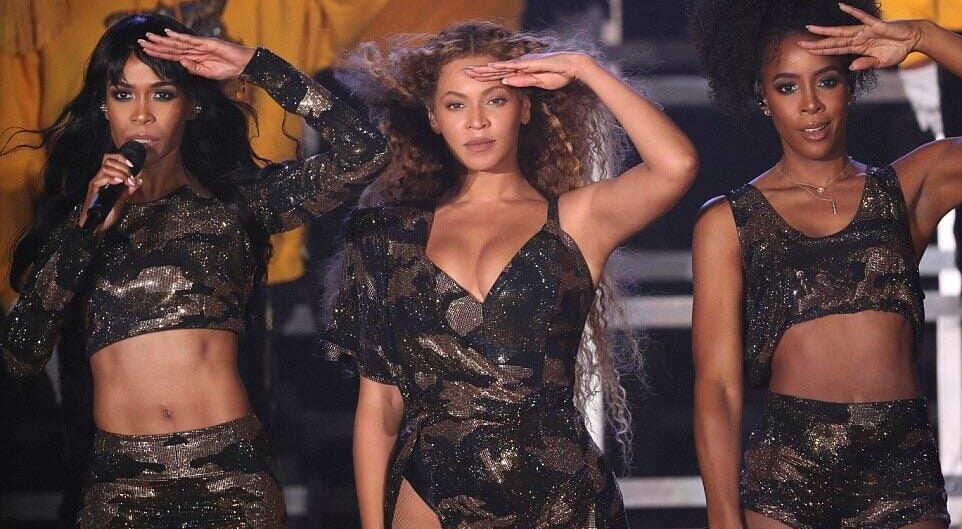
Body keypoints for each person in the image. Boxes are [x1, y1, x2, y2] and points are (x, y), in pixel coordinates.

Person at [1, 12, 387, 528]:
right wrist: (83, 233)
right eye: (123, 94)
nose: (141, 114)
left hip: (232, 477)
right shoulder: (77, 225)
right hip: (120, 487)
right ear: (103, 105)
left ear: (192, 104)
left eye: (161, 94)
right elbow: (20, 356)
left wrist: (255, 64)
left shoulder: (237, 204)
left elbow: (365, 153)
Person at [321, 21, 698, 529]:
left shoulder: (576, 222)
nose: (476, 122)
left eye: (494, 100)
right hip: (432, 493)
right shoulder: (386, 238)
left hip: (562, 496)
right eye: (456, 105)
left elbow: (676, 165)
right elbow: (380, 406)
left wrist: (585, 69)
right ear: (433, 118)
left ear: (524, 108)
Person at [690, 1, 962, 528]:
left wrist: (925, 36)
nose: (810, 105)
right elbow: (718, 388)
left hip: (902, 470)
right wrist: (724, 520)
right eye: (788, 87)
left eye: (827, 81)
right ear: (761, 97)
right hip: (790, 476)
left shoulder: (909, 186)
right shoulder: (728, 222)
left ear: (851, 83)